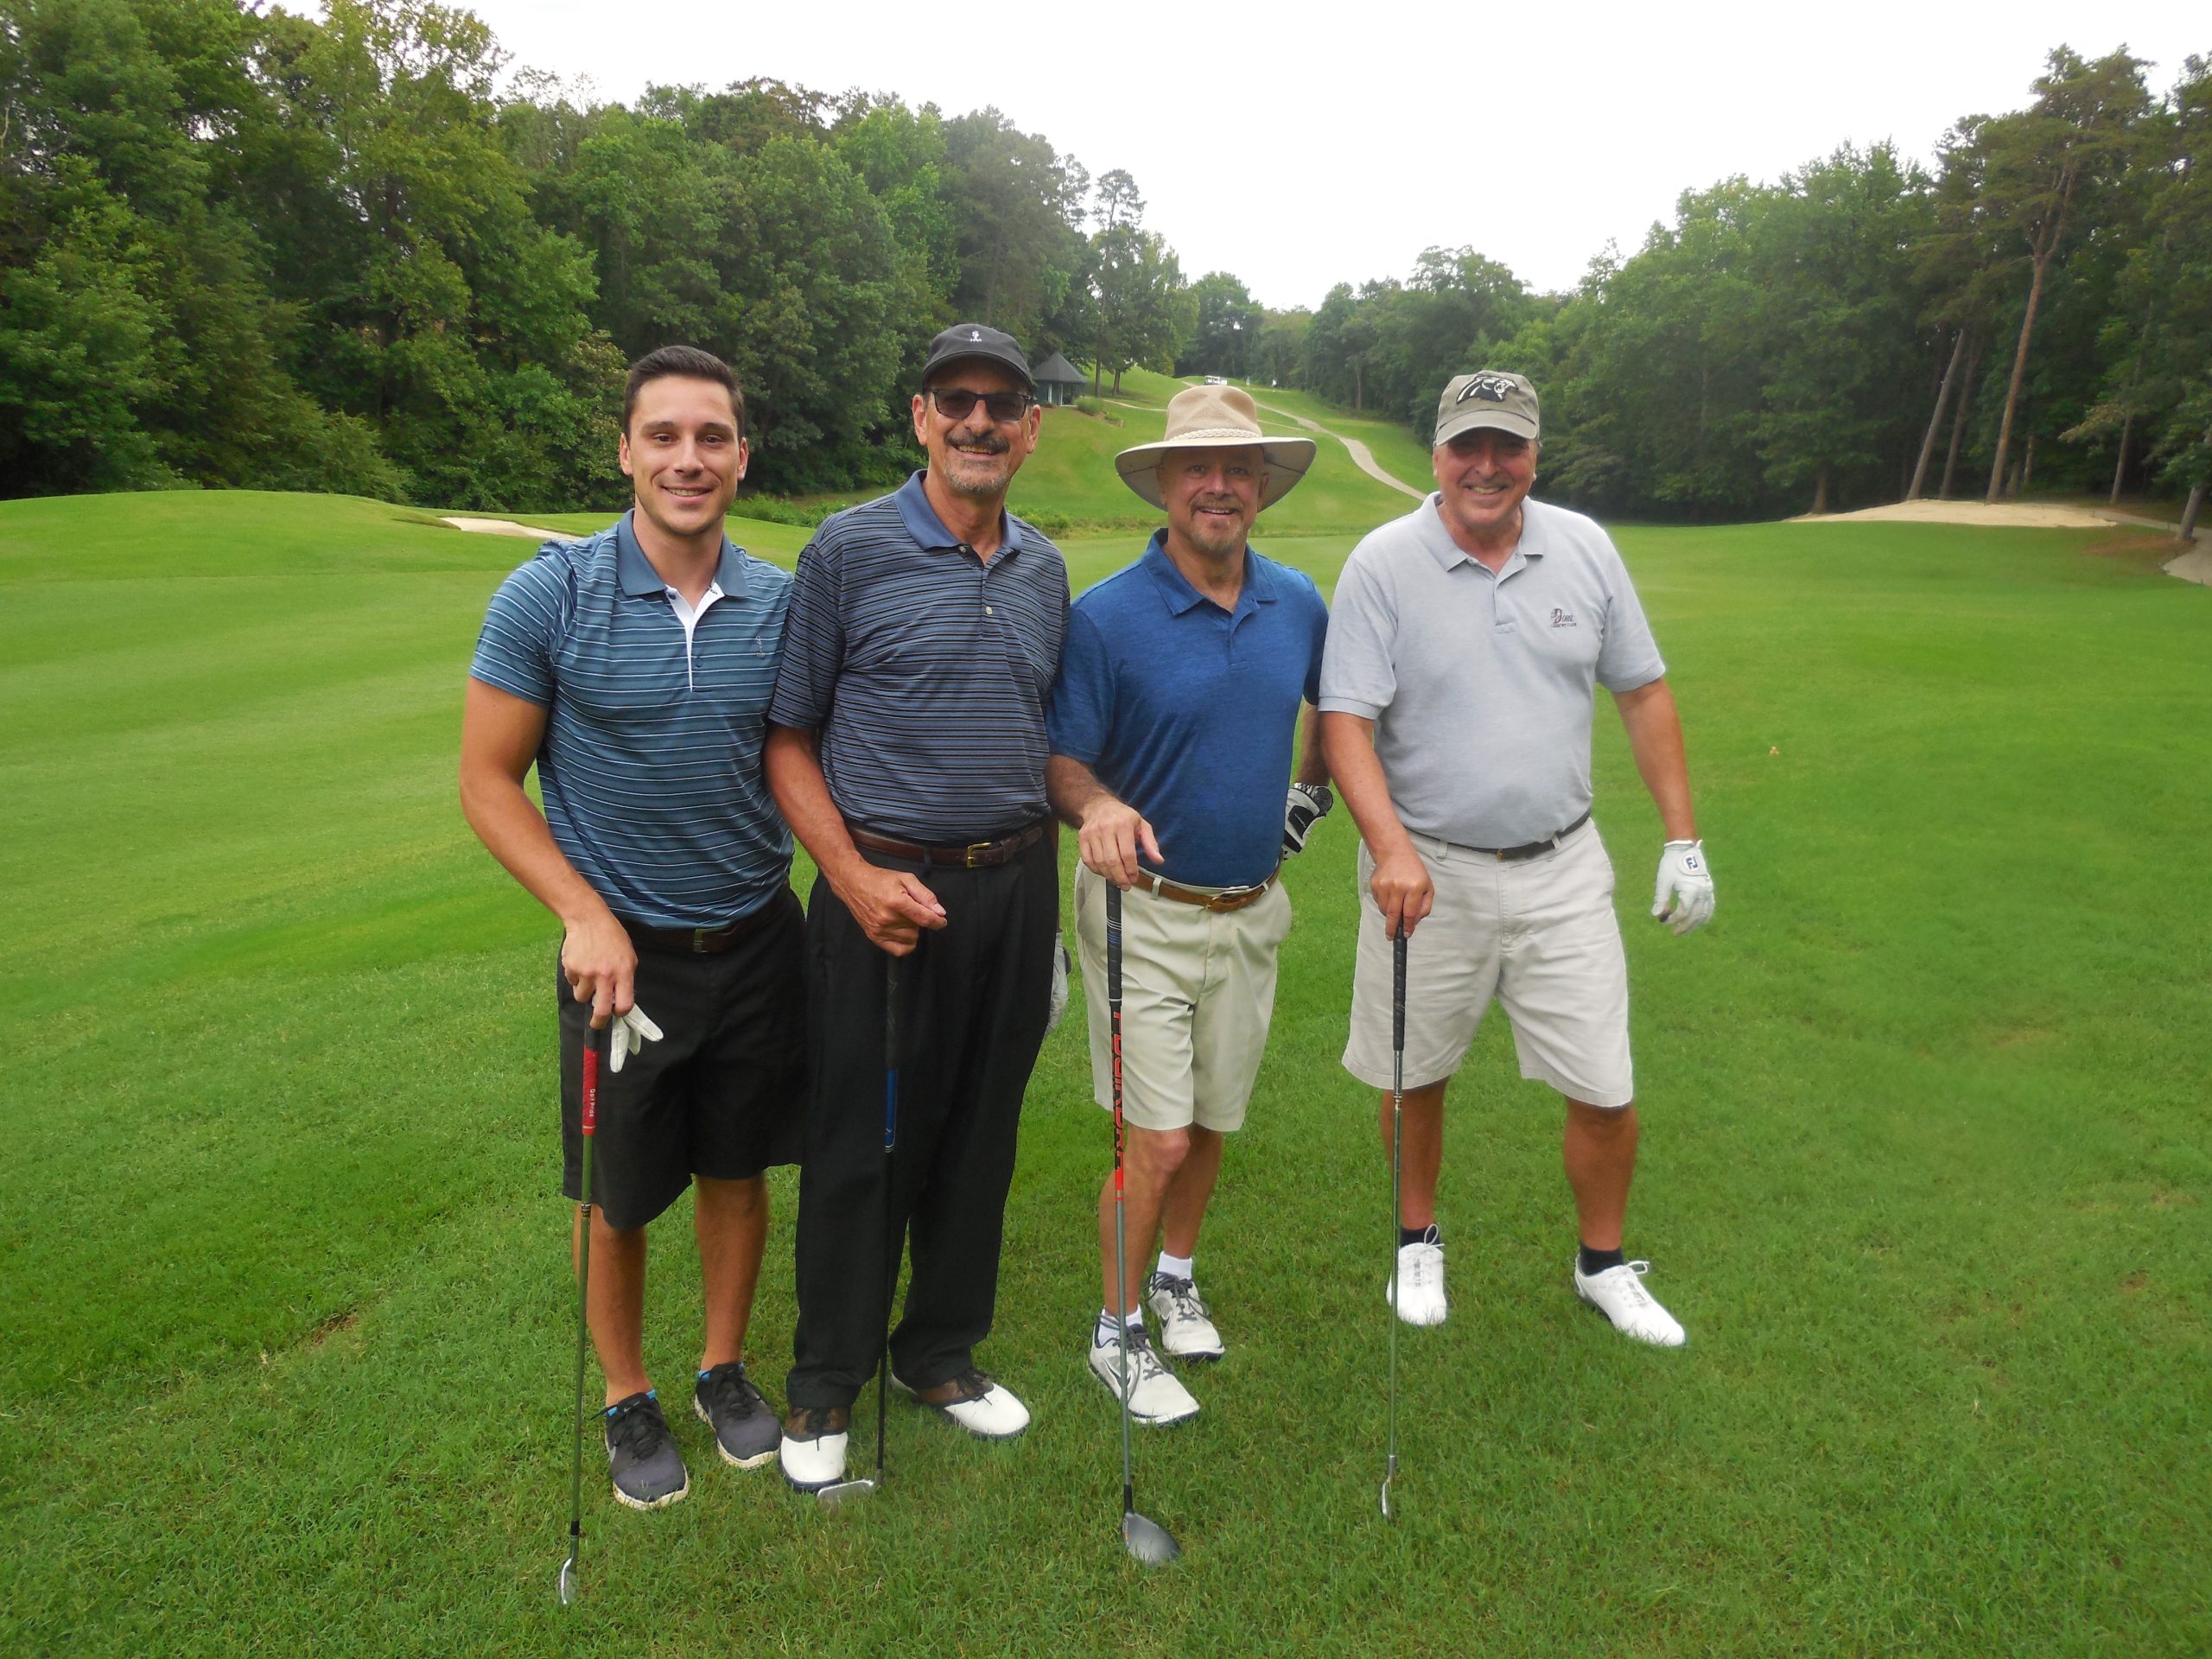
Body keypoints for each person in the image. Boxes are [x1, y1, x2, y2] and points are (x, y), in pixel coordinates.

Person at [460, 345, 805, 1510]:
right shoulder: (550, 595)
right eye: (663, 435)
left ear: (742, 457)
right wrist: (581, 912)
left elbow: (806, 761)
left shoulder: (779, 603)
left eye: (711, 437)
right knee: (617, 1197)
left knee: (737, 1171)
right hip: (621, 961)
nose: (687, 459)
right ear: (624, 451)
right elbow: (487, 781)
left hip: (757, 941)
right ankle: (626, 1395)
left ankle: (720, 1369)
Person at [1319, 369, 1715, 1346]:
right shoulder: (1382, 563)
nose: (1487, 467)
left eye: (1508, 446)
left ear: (1536, 454)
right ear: (1438, 454)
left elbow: (1642, 691)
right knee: (1413, 1076)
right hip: (1426, 869)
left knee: (1605, 1087)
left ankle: (1602, 1265)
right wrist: (1388, 847)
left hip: (1562, 867)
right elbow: (1345, 721)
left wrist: (1683, 839)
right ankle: (1416, 1240)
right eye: (1468, 446)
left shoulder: (1584, 547)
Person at [766, 323, 1068, 1491]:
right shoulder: (847, 549)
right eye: (956, 400)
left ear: (1029, 428)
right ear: (921, 417)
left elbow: (1045, 732)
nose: (977, 421)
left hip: (1016, 886)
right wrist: (847, 876)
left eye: (1000, 403)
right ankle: (824, 1382)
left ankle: (937, 1354)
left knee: (979, 1136)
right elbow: (788, 736)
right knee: (861, 1145)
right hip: (882, 888)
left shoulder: (1043, 569)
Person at [1046, 385, 1332, 1425]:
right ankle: (1114, 1330)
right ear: (1164, 484)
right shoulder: (1105, 616)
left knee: (1211, 1121)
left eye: (1238, 469)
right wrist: (1098, 805)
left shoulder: (1297, 602)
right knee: (1156, 1140)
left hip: (1251, 912)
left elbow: (1337, 709)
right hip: (1143, 914)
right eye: (1198, 468)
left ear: (1261, 486)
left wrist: (1309, 793)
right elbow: (1062, 761)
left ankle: (1174, 1278)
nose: (1219, 486)